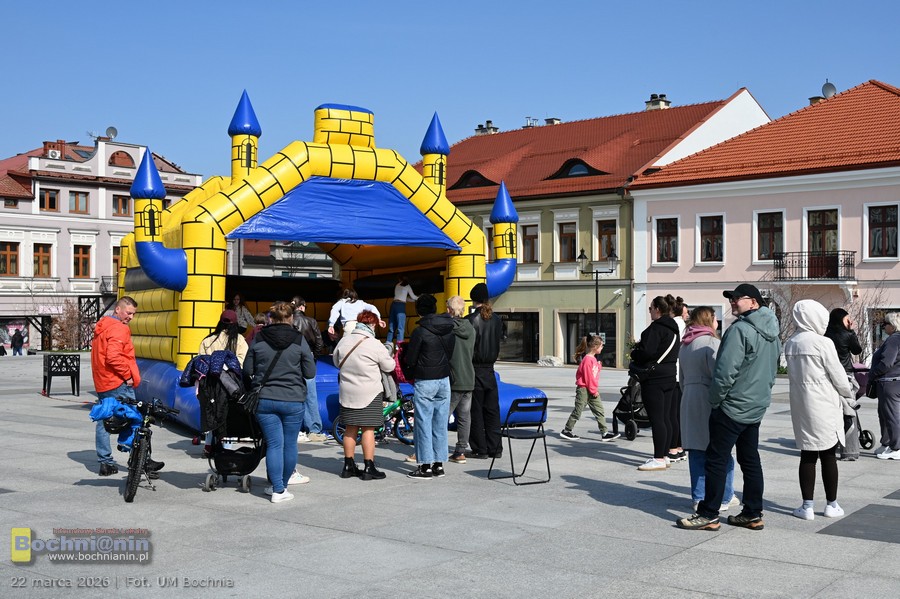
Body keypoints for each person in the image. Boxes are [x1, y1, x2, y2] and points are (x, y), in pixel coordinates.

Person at [677, 283, 780, 531]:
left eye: (737, 298)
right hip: (755, 406)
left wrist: (716, 400)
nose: (733, 302)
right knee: (750, 459)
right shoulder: (773, 332)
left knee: (716, 459)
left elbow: (725, 371)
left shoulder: (739, 330)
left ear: (754, 302)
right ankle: (752, 513)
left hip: (732, 406)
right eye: (731, 298)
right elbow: (773, 369)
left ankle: (709, 514)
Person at [784, 299, 857, 520]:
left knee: (807, 454)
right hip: (824, 403)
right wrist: (848, 393)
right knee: (828, 455)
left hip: (801, 404)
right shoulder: (823, 343)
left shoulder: (791, 343)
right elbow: (838, 376)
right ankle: (831, 504)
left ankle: (806, 506)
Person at [243, 301, 316, 503]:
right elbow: (310, 372)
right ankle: (281, 488)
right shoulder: (299, 340)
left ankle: (277, 488)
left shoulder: (259, 338)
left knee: (274, 444)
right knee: (289, 444)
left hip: (265, 399)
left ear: (271, 318)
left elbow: (247, 370)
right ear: (291, 317)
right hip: (293, 399)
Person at [91, 297, 162, 477]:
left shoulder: (103, 326)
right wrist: (127, 375)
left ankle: (105, 462)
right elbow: (113, 357)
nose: (131, 317)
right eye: (128, 313)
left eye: (133, 314)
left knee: (104, 420)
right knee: (136, 419)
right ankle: (142, 462)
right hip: (118, 382)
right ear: (118, 309)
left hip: (102, 381)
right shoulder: (119, 328)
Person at [679, 306, 739, 513]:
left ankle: (698, 496)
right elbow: (719, 374)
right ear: (708, 320)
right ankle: (725, 495)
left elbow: (681, 378)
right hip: (708, 397)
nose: (717, 323)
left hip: (689, 397)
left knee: (696, 450)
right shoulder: (712, 343)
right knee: (721, 450)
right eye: (715, 319)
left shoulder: (685, 344)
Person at [333, 310, 395, 480]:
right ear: (372, 324)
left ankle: (348, 466)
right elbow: (389, 366)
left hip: (347, 392)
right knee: (368, 429)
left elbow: (336, 362)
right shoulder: (374, 344)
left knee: (350, 428)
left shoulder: (344, 341)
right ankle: (369, 467)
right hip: (370, 393)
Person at [404, 294, 455, 479]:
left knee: (423, 422)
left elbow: (411, 359)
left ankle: (425, 466)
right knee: (440, 423)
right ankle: (439, 465)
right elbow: (451, 353)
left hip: (425, 380)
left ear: (419, 311)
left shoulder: (420, 332)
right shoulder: (449, 328)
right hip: (444, 379)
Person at [631, 295, 680, 471]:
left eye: (651, 308)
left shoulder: (655, 329)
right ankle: (665, 455)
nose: (650, 311)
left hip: (654, 379)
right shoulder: (674, 329)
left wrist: (635, 353)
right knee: (666, 417)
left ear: (658, 309)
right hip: (670, 376)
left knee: (657, 419)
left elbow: (646, 353)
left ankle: (658, 457)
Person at [466, 283, 504, 460]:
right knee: (492, 411)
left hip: (475, 369)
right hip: (490, 369)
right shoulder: (496, 319)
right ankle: (495, 448)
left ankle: (480, 448)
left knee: (476, 411)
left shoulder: (470, 320)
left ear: (474, 299)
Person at [561, 336, 619, 441]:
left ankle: (605, 433)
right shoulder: (587, 360)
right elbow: (588, 377)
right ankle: (567, 431)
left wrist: (598, 366)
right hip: (584, 389)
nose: (602, 347)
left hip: (591, 389)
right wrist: (593, 390)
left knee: (599, 410)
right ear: (595, 347)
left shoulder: (593, 359)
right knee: (578, 410)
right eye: (601, 346)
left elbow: (594, 374)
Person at [824, 307, 864, 460]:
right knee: (849, 411)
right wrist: (852, 331)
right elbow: (857, 350)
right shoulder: (847, 335)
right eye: (847, 319)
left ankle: (829, 446)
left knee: (831, 410)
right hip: (845, 375)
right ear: (842, 320)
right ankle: (850, 450)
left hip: (828, 376)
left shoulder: (825, 335)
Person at [292, 296, 328, 442]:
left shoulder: (288, 321)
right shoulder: (311, 321)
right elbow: (319, 342)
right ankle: (313, 429)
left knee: (292, 393)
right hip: (308, 360)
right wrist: (314, 357)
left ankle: (294, 429)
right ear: (302, 306)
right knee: (311, 395)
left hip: (291, 360)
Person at [446, 295, 476, 463]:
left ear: (449, 309)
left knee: (443, 415)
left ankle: (434, 448)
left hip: (454, 377)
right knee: (464, 417)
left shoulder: (449, 329)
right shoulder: (470, 328)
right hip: (469, 376)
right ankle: (460, 451)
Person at [869, 312, 900, 460]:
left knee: (891, 416)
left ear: (892, 326)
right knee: (886, 414)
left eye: (885, 324)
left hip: (890, 382)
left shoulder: (893, 339)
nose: (883, 326)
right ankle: (887, 443)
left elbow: (886, 363)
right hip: (893, 381)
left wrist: (873, 373)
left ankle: (896, 447)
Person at [669, 295, 687, 462]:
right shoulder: (684, 326)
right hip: (681, 373)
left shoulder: (673, 325)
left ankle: (673, 448)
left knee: (671, 414)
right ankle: (680, 447)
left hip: (673, 373)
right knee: (679, 413)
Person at [386, 276, 418, 347]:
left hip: (393, 305)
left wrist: (413, 300)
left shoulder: (397, 285)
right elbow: (413, 297)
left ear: (399, 279)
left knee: (391, 327)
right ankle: (399, 346)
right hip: (400, 306)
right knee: (400, 328)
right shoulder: (407, 286)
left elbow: (404, 298)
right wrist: (419, 298)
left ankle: (388, 344)